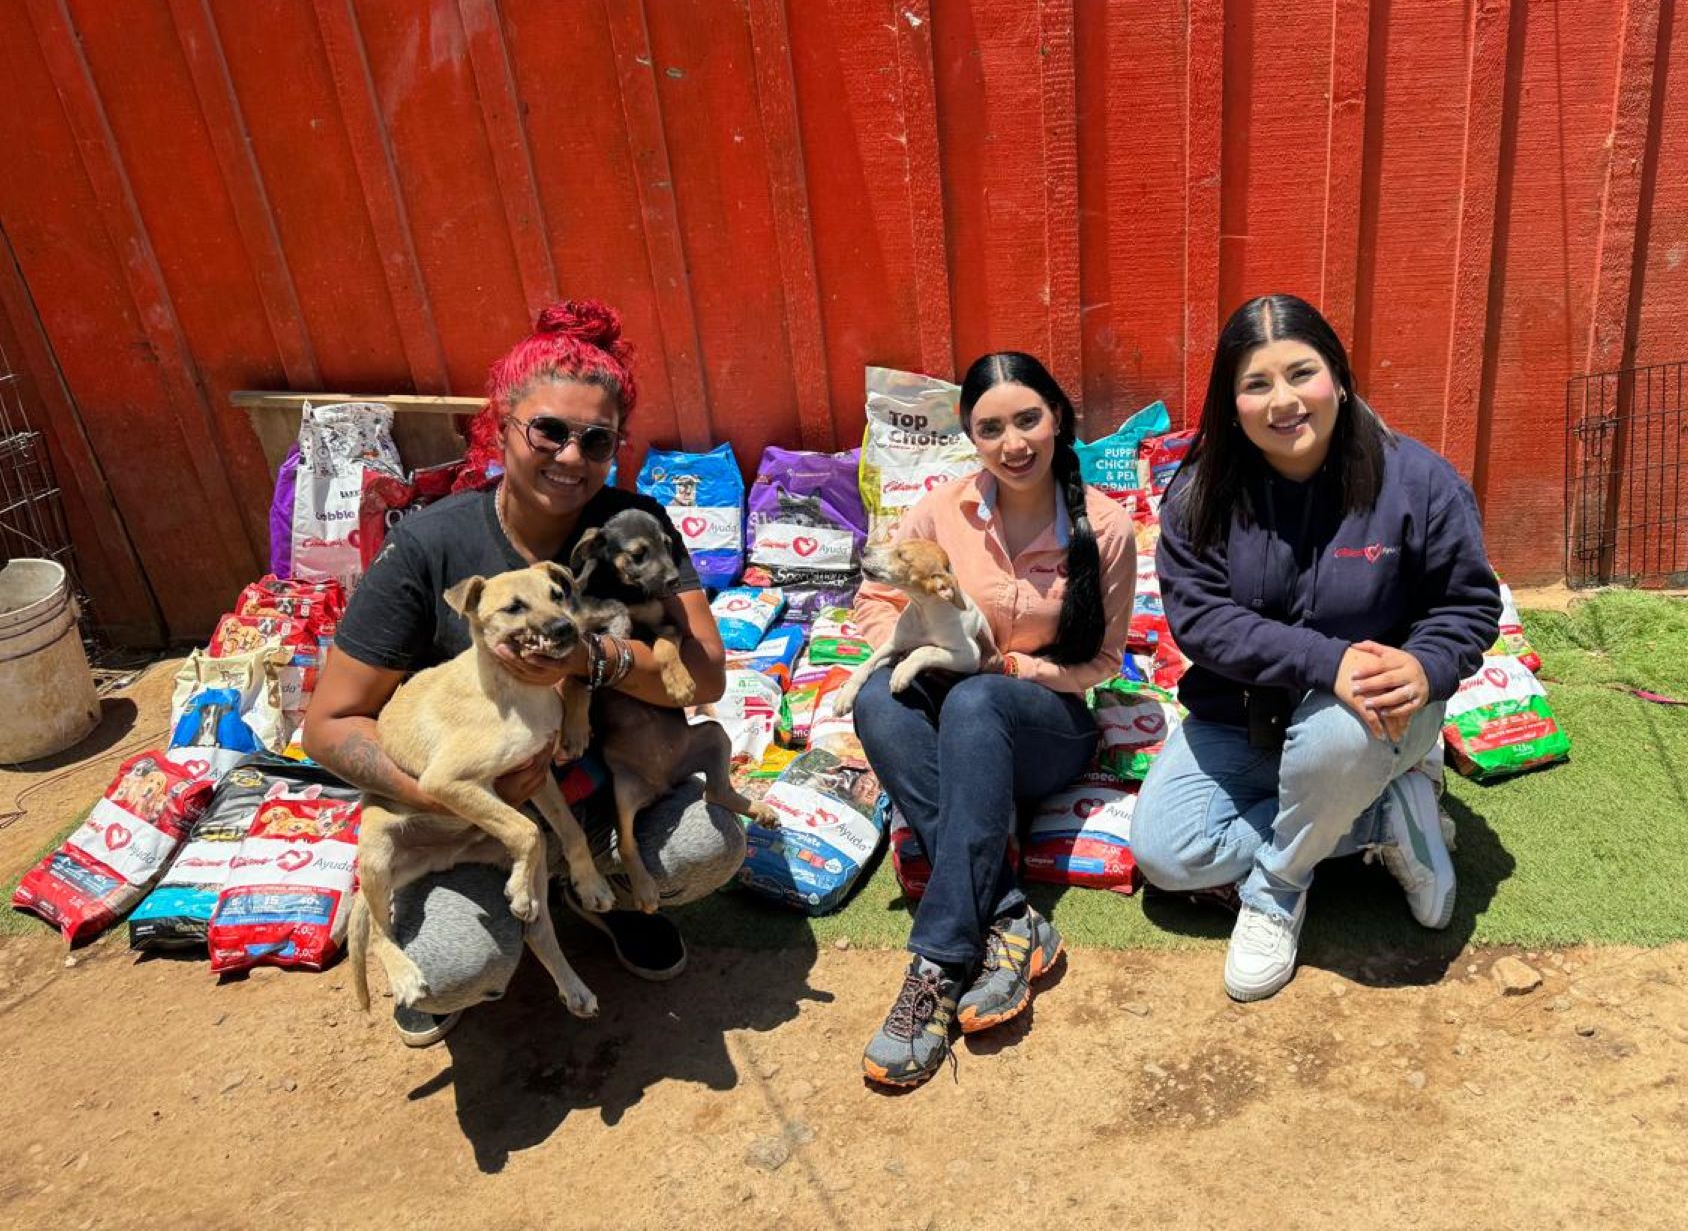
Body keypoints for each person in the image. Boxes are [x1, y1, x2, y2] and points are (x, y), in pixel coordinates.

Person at [304, 300, 745, 1047]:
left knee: (711, 847)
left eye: (596, 440)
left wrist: (590, 659)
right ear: (501, 428)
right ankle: (456, 928)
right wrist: (453, 803)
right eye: (549, 431)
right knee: (452, 969)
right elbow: (327, 725)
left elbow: (704, 679)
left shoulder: (635, 526)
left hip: (591, 798)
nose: (572, 457)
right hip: (462, 816)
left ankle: (587, 888)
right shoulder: (429, 549)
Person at [1129, 294, 1500, 1002]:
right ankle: (1385, 816)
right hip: (1238, 719)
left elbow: (1468, 603)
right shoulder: (1199, 493)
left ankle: (1277, 890)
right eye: (1256, 384)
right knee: (1167, 854)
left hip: (1373, 717)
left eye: (1302, 374)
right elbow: (1202, 622)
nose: (1284, 401)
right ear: (1229, 401)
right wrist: (1326, 660)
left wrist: (1424, 666)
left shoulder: (1418, 481)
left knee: (1336, 734)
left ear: (1338, 374)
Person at [850, 353, 1135, 1087]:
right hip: (955, 712)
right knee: (879, 698)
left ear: (1058, 420)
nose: (1013, 442)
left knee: (979, 699)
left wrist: (1016, 670)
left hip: (1047, 724)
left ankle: (940, 961)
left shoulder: (1102, 526)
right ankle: (1011, 919)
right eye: (991, 427)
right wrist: (902, 639)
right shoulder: (942, 510)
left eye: (1028, 420)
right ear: (969, 437)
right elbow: (875, 598)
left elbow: (1104, 660)